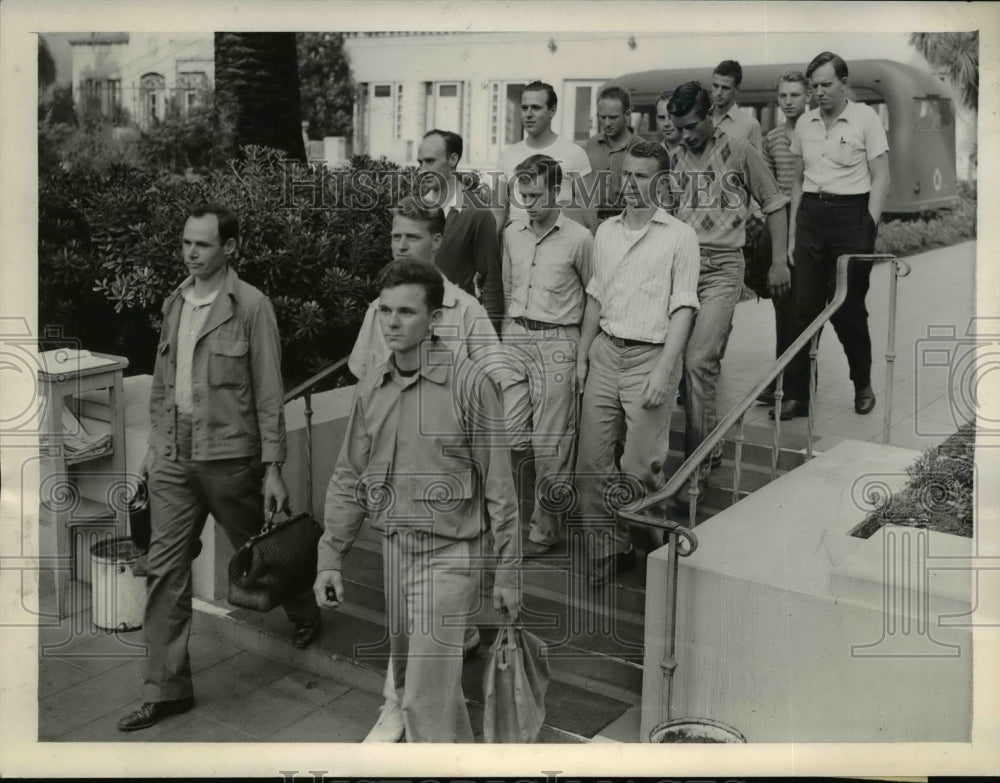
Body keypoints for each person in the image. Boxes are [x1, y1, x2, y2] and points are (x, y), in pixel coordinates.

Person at [117, 204, 320, 732]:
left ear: (229, 248)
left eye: (202, 244)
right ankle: (166, 689)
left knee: (261, 553)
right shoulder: (175, 302)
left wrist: (273, 467)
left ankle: (303, 607)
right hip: (174, 457)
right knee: (164, 569)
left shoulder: (251, 306)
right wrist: (155, 448)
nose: (191, 253)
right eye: (186, 242)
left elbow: (270, 392)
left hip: (231, 458)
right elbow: (163, 381)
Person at [315, 259, 522, 743]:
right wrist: (330, 557)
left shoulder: (470, 384)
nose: (392, 322)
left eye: (406, 312)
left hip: (450, 557)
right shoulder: (373, 387)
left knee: (421, 700)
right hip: (395, 551)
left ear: (434, 319)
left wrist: (508, 573)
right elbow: (349, 476)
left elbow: (500, 488)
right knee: (422, 687)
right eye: (385, 310)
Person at [573, 140, 700, 585]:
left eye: (641, 176)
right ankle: (610, 548)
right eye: (626, 174)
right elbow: (596, 297)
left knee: (640, 468)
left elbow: (684, 308)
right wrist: (583, 355)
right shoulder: (605, 232)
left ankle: (656, 544)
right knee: (591, 465)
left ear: (661, 183)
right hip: (606, 352)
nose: (629, 184)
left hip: (650, 357)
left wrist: (665, 370)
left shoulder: (680, 237)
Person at [667, 82, 788, 503]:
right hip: (682, 267)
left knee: (699, 361)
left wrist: (778, 261)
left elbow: (774, 204)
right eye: (678, 127)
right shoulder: (672, 155)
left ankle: (693, 472)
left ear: (709, 117)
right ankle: (710, 446)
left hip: (723, 268)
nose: (684, 135)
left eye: (690, 126)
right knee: (685, 367)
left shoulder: (739, 151)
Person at [781, 52, 890, 419]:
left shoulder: (865, 118)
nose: (819, 92)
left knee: (848, 310)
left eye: (826, 84)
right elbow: (797, 181)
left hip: (851, 218)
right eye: (814, 86)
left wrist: (867, 229)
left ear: (844, 82)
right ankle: (798, 395)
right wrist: (794, 233)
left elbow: (881, 177)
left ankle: (862, 384)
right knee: (803, 310)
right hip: (811, 216)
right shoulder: (805, 123)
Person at [502, 154, 594, 556]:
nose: (529, 203)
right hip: (516, 337)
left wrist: (583, 354)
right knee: (510, 433)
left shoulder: (580, 239)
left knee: (550, 445)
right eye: (523, 195)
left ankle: (545, 529)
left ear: (557, 191)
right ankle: (543, 504)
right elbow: (508, 285)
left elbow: (594, 298)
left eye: (536, 195)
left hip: (558, 342)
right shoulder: (512, 234)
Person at [754, 70, 811, 407]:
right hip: (780, 222)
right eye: (783, 96)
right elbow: (768, 188)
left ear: (807, 97)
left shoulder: (817, 133)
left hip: (809, 224)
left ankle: (795, 389)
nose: (788, 102)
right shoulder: (773, 138)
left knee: (802, 308)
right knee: (782, 305)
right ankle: (784, 382)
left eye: (795, 95)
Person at [417, 129, 504, 330]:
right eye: (420, 163)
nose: (423, 170)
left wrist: (490, 339)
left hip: (457, 328)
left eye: (430, 161)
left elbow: (491, 281)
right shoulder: (416, 210)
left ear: (453, 159)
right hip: (417, 326)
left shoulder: (477, 213)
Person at [496, 80, 594, 232]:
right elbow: (498, 211)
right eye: (524, 108)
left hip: (558, 239)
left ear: (552, 110)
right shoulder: (507, 155)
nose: (528, 114)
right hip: (518, 240)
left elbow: (589, 212)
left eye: (536, 108)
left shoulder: (574, 153)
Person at [583, 85, 638, 220]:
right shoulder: (591, 145)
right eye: (602, 117)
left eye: (613, 117)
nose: (606, 123)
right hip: (595, 223)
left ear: (627, 115)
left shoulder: (642, 148)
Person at [710, 59, 763, 150]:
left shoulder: (751, 125)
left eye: (725, 88)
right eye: (715, 86)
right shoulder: (700, 118)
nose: (718, 93)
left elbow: (755, 159)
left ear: (736, 90)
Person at [655, 89, 683, 156]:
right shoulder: (653, 155)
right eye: (662, 118)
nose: (666, 124)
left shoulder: (700, 154)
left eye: (671, 117)